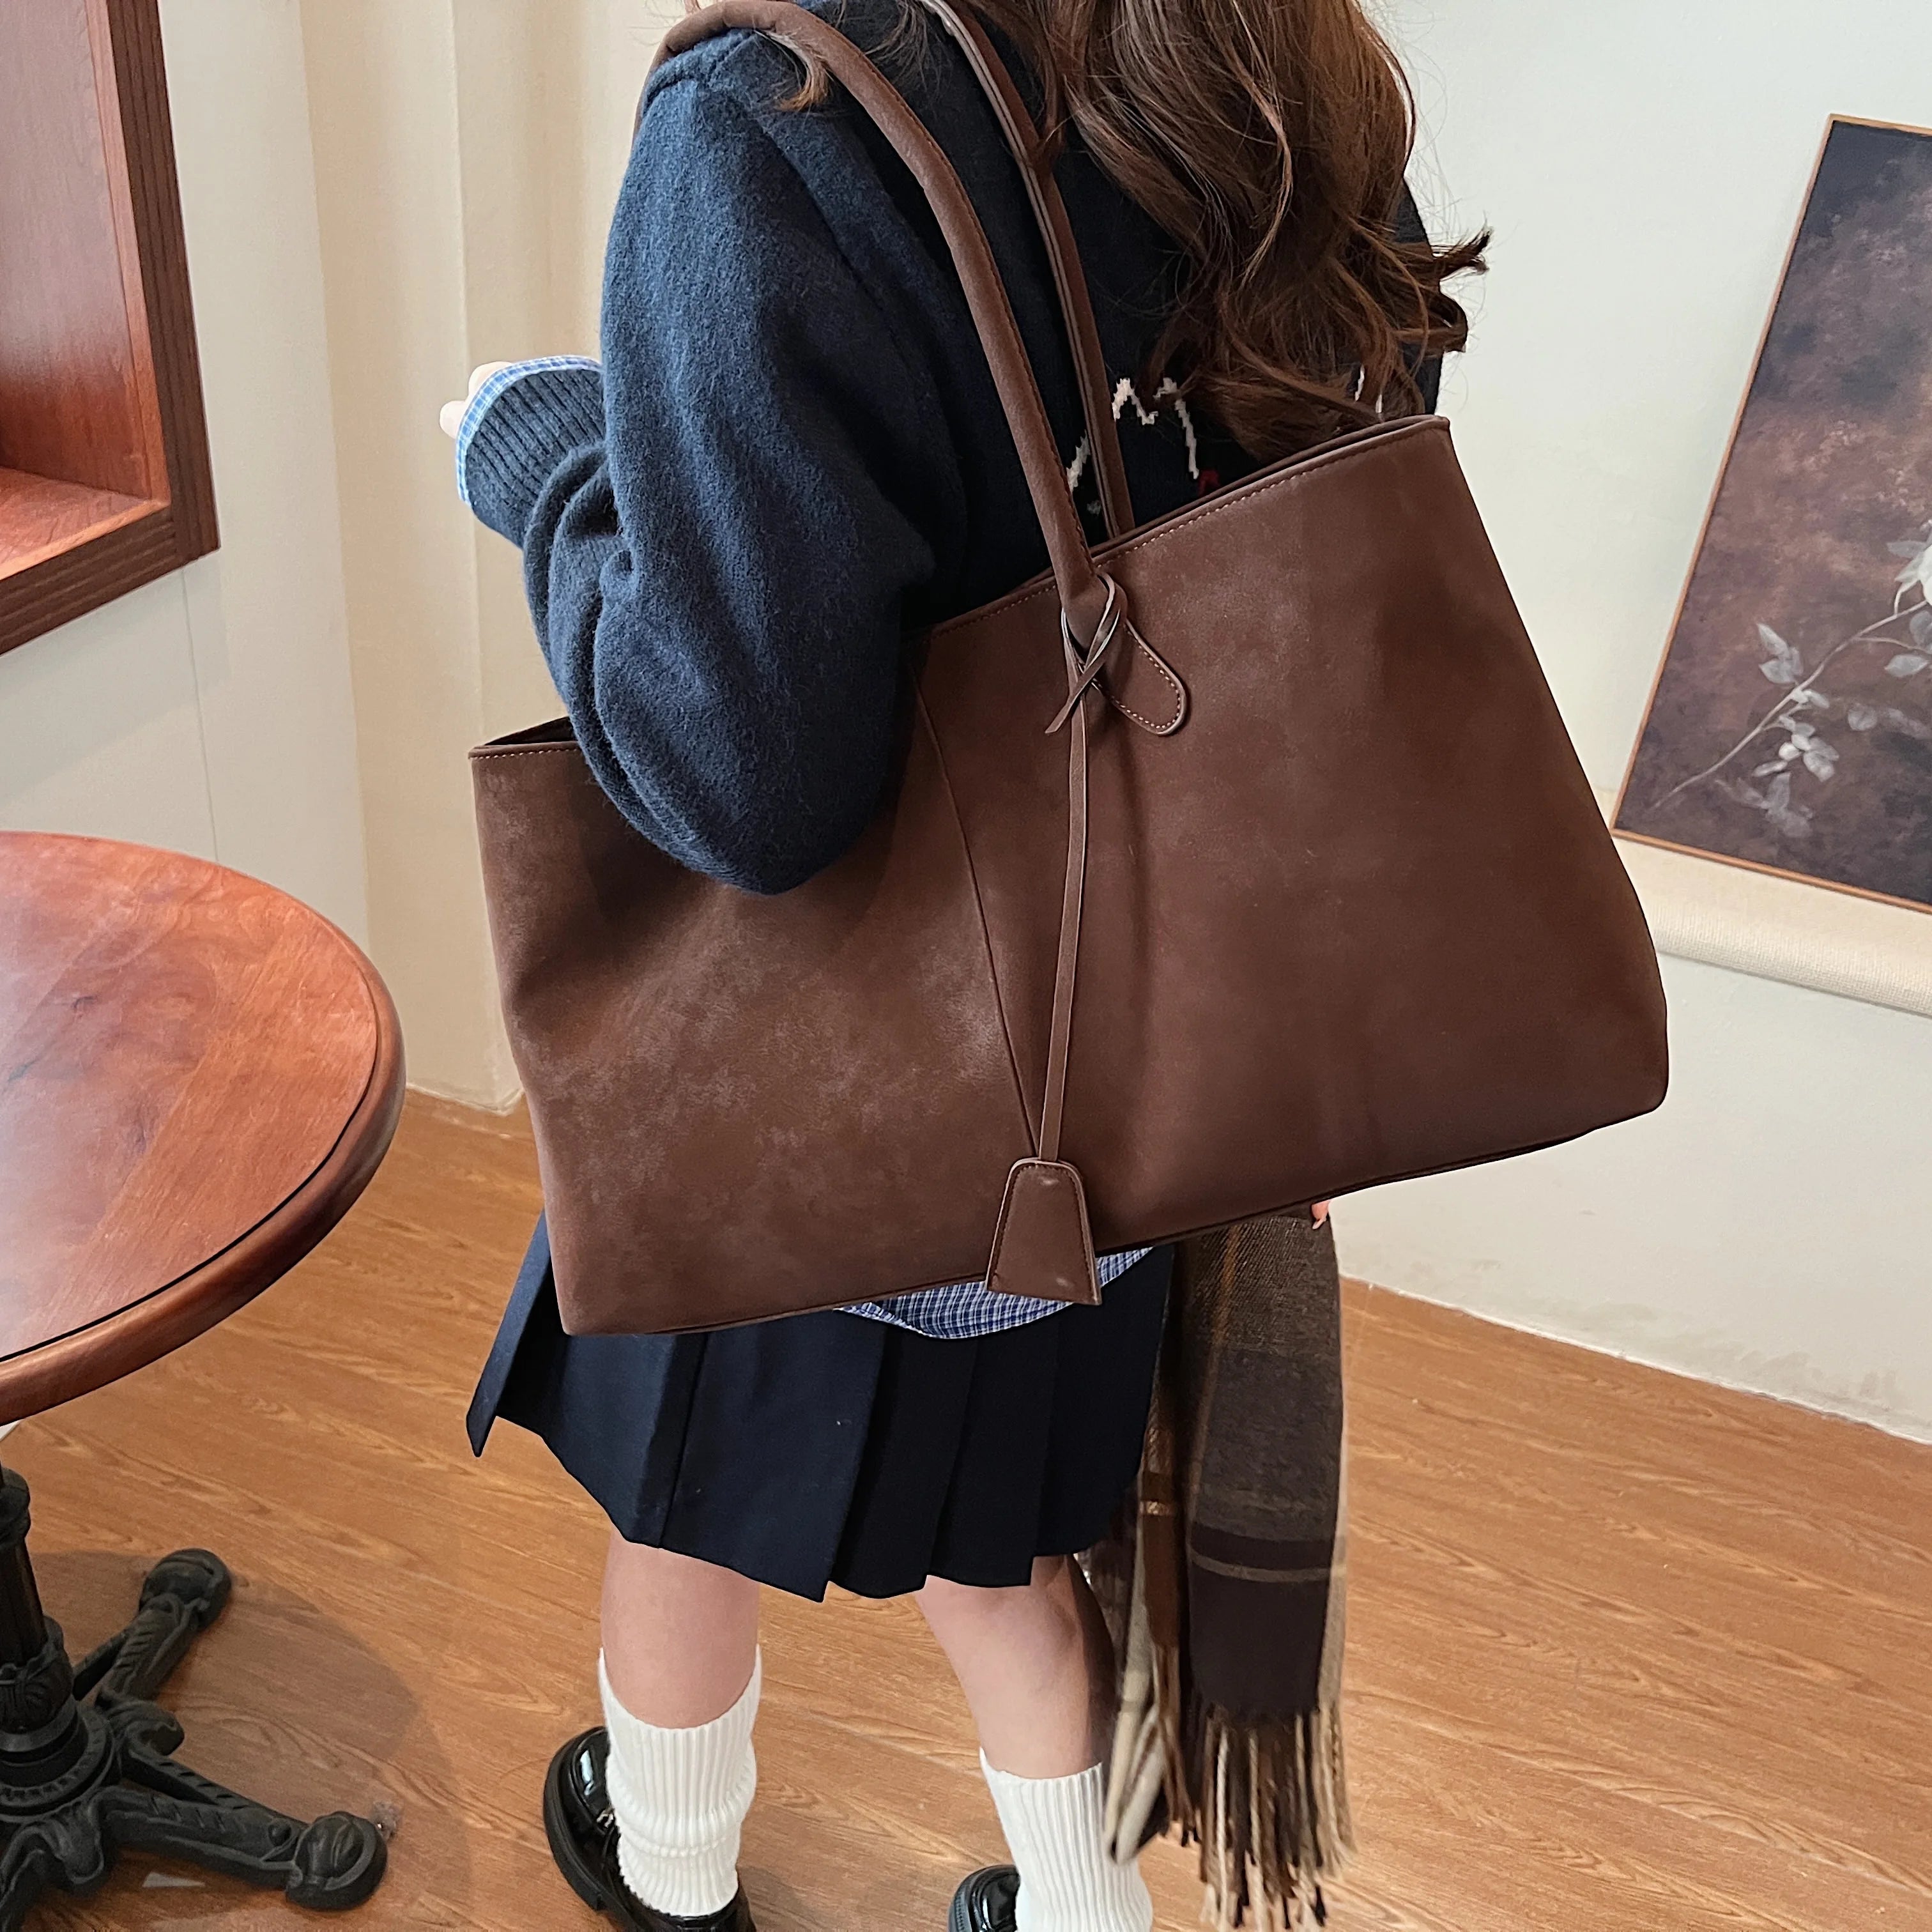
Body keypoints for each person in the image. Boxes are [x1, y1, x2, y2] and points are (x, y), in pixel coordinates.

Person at [443, 1, 1481, 1926]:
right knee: (1005, 1571)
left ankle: (672, 1878)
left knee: (683, 1531)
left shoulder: (780, 113)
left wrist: (557, 464)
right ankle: (1088, 1911)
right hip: (1118, 1096)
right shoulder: (1275, 59)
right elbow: (1327, 531)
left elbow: (748, 775)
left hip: (797, 1089)